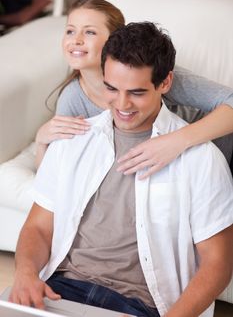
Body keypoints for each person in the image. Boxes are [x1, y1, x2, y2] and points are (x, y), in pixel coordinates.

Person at [10, 22, 233, 317]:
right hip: (61, 290)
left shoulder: (201, 159)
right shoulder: (73, 141)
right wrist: (26, 274)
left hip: (143, 305)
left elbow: (218, 263)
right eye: (112, 88)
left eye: (137, 92)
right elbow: (38, 226)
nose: (122, 104)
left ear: (165, 83)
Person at [35, 0, 233, 176]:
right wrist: (41, 140)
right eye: (70, 30)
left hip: (205, 154)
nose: (76, 40)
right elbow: (52, 181)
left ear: (114, 39)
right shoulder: (73, 98)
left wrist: (177, 141)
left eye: (89, 32)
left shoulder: (151, 71)